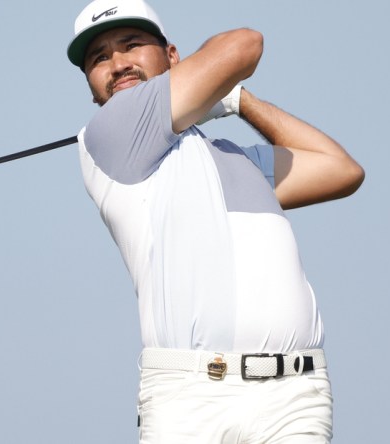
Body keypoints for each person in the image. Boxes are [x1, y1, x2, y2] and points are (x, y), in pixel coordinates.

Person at [66, 1, 364, 442]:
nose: (117, 64)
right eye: (100, 58)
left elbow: (341, 169)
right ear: (92, 89)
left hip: (293, 398)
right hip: (190, 400)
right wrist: (216, 89)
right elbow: (244, 46)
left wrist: (240, 102)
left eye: (131, 45)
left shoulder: (233, 159)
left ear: (172, 57)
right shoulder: (110, 134)